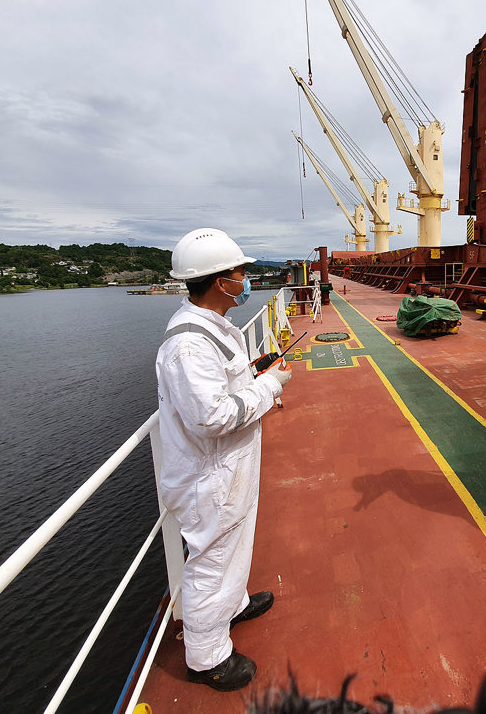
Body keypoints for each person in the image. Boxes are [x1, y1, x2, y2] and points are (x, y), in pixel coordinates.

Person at [155, 227, 292, 691]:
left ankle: (232, 606)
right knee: (211, 562)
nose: (246, 278)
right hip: (208, 478)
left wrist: (256, 373)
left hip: (229, 469)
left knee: (233, 549)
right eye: (241, 271)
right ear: (219, 281)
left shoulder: (217, 328)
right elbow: (210, 417)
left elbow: (225, 390)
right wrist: (269, 386)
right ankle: (207, 658)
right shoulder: (188, 346)